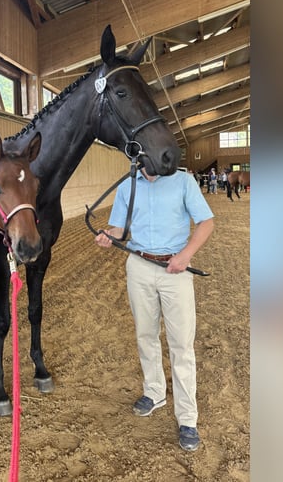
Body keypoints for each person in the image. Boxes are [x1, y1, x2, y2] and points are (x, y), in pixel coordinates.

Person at [94, 166, 214, 452]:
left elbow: (206, 222)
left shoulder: (183, 181)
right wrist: (109, 235)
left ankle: (187, 417)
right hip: (139, 266)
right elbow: (121, 228)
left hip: (175, 268)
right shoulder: (127, 186)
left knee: (181, 344)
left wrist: (186, 255)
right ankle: (154, 392)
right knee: (145, 335)